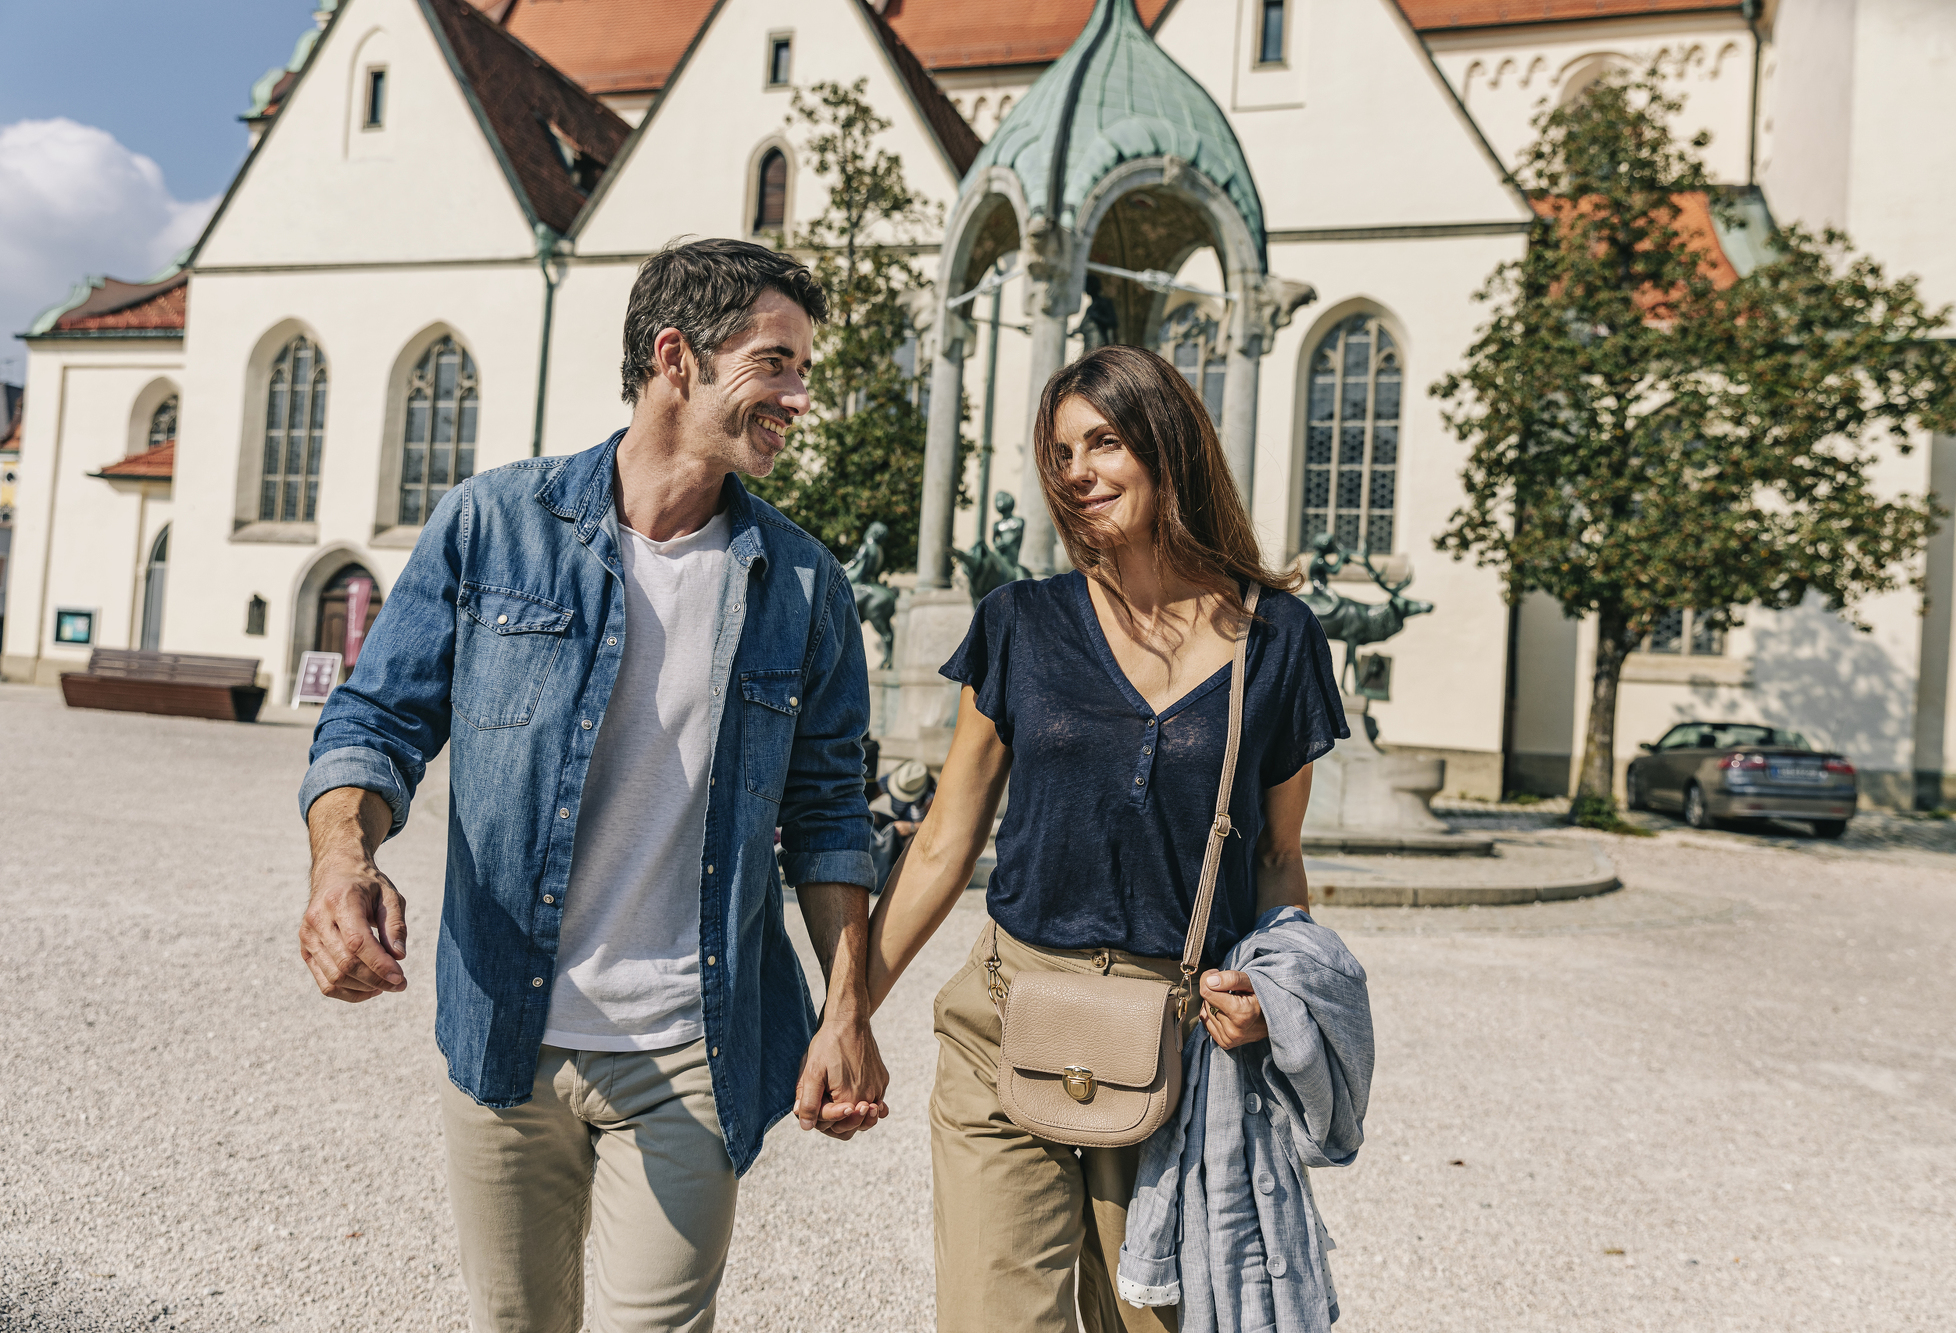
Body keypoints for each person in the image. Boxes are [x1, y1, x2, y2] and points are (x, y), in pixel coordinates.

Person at [295, 238, 887, 1332]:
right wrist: (344, 859)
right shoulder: (492, 524)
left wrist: (844, 1007)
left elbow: (829, 816)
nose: (800, 396)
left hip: (691, 1044)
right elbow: (376, 720)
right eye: (776, 363)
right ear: (675, 358)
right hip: (506, 1033)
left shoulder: (803, 583)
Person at [864, 344, 1347, 1332]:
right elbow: (946, 837)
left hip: (1178, 1048)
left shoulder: (1279, 638)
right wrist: (845, 1012)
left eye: (1104, 441)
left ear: (1168, 447)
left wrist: (1275, 986)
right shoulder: (1019, 623)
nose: (1076, 471)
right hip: (1007, 1017)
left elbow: (1273, 858)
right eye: (1059, 454)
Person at [869, 757, 937, 892]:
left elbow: (936, 825)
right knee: (871, 816)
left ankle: (907, 882)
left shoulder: (932, 795)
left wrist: (911, 827)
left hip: (919, 830)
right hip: (898, 824)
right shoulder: (890, 781)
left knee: (912, 842)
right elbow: (868, 800)